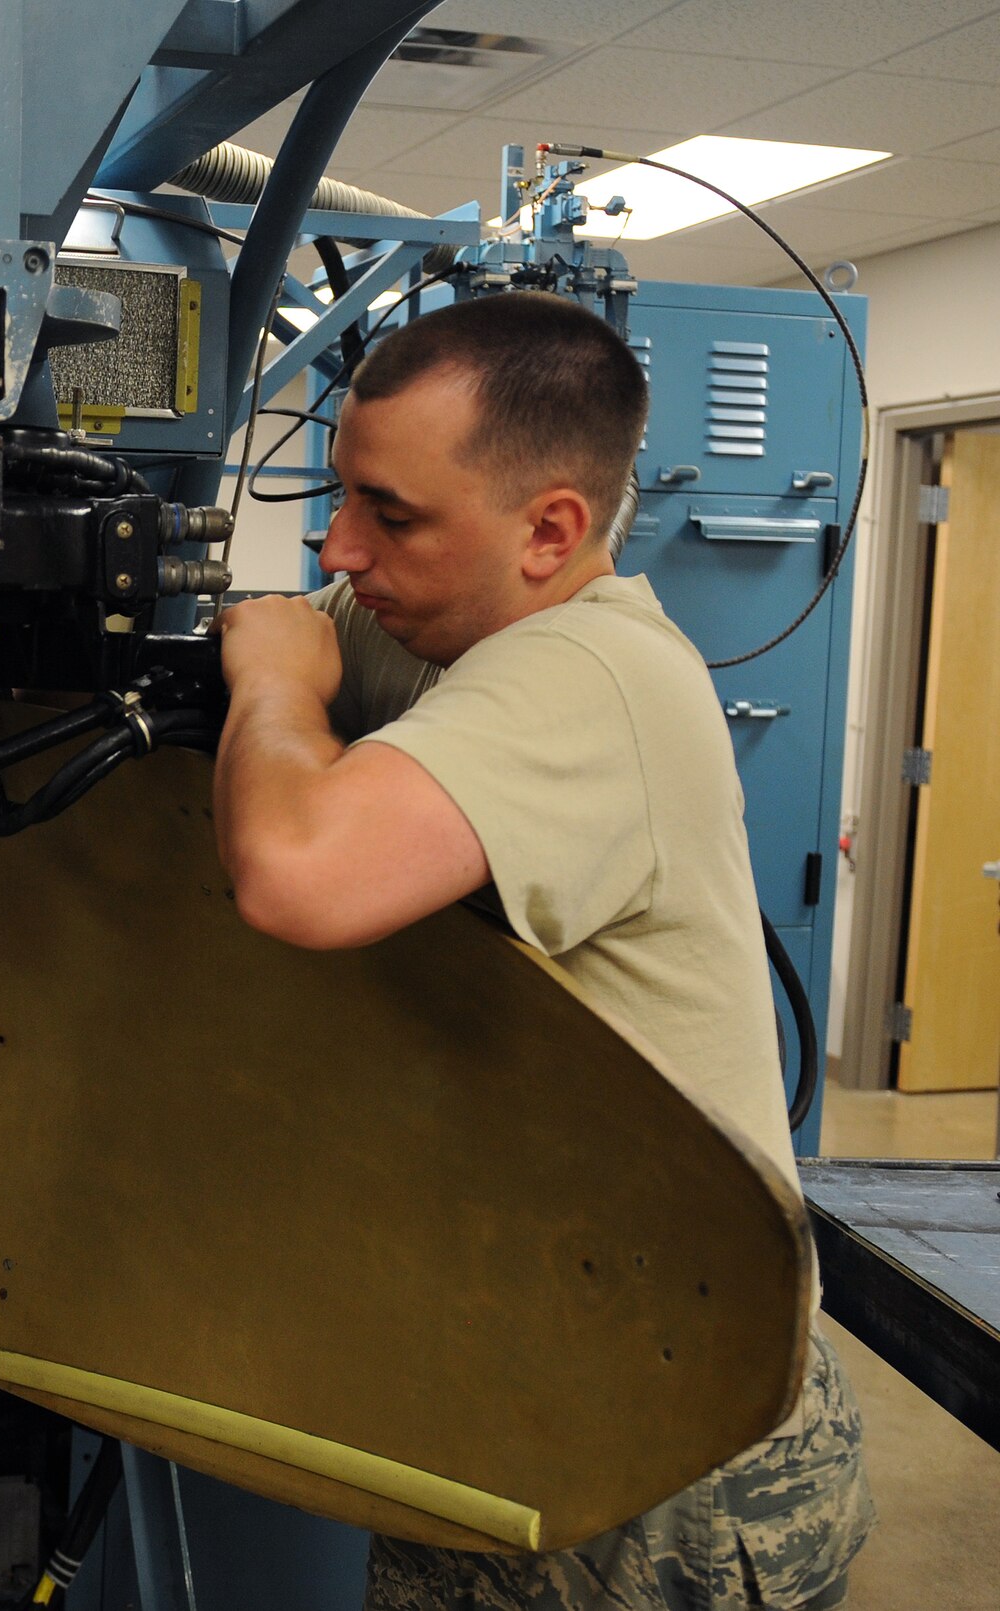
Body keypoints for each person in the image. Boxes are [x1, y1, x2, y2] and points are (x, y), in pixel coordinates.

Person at [210, 291, 874, 1610]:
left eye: (391, 517)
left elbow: (299, 871)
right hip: (521, 1400)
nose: (338, 552)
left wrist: (274, 684)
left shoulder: (595, 670)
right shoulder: (440, 634)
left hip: (660, 1462)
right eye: (340, 499)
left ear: (553, 532)